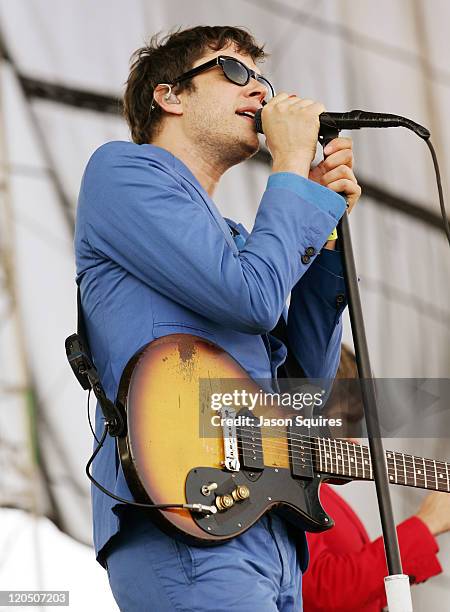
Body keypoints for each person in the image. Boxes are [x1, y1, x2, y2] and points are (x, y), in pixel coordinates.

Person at [74, 25, 361, 611]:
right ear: (169, 95)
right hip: (181, 516)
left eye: (262, 78)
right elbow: (249, 299)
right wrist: (288, 171)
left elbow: (304, 386)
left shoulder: (236, 242)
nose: (259, 92)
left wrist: (323, 238)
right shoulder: (120, 173)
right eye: (235, 72)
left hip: (268, 526)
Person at [303, 346, 447, 611]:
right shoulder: (290, 491)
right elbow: (321, 591)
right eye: (346, 420)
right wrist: (425, 525)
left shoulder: (322, 492)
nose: (354, 441)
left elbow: (355, 593)